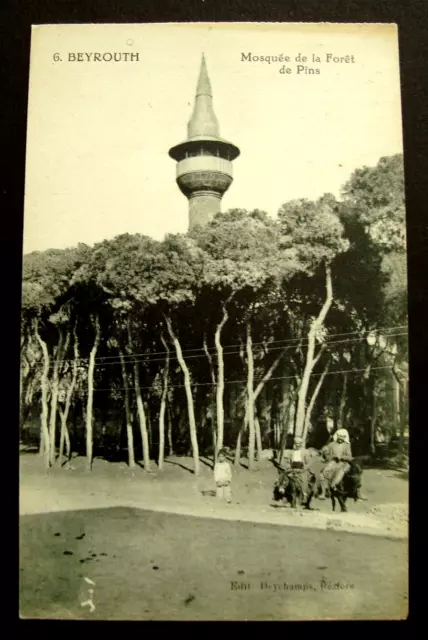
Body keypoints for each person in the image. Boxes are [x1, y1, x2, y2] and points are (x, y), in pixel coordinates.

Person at [319, 428, 366, 500]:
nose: (341, 438)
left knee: (346, 472)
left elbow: (349, 456)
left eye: (343, 437)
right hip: (333, 462)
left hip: (344, 462)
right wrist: (324, 452)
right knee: (323, 473)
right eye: (339, 436)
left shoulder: (347, 445)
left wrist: (341, 457)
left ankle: (356, 492)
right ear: (336, 436)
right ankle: (323, 492)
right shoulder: (331, 444)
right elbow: (326, 455)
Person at [281, 436, 312, 503]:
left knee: (304, 479)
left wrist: (304, 468)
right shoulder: (291, 452)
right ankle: (283, 491)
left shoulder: (305, 452)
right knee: (284, 476)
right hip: (293, 468)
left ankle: (304, 494)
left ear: (301, 443)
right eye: (296, 443)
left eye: (299, 443)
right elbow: (288, 462)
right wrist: (288, 467)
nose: (297, 445)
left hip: (302, 469)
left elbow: (309, 462)